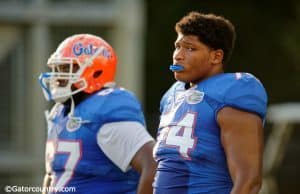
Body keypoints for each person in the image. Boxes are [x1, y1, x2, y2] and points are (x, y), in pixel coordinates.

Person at [153, 11, 268, 194]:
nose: (178, 55)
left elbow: (248, 181)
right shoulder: (171, 96)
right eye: (177, 46)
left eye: (190, 48)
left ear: (216, 56)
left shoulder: (232, 92)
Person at [39, 34, 156, 194]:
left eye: (66, 68)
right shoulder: (59, 113)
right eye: (57, 69)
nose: (58, 77)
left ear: (95, 71)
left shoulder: (106, 108)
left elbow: (154, 165)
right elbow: (54, 175)